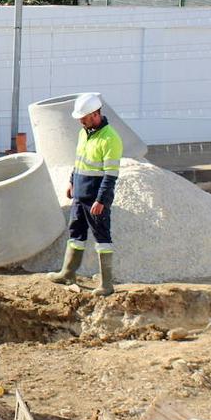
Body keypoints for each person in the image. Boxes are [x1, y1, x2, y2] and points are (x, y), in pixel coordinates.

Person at [49, 93, 123, 296]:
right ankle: (68, 273)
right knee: (75, 234)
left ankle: (106, 284)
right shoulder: (84, 133)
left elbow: (110, 175)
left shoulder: (110, 139)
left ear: (95, 114)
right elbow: (79, 161)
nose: (80, 121)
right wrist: (72, 181)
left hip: (95, 199)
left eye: (84, 117)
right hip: (79, 196)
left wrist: (101, 200)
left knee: (102, 238)